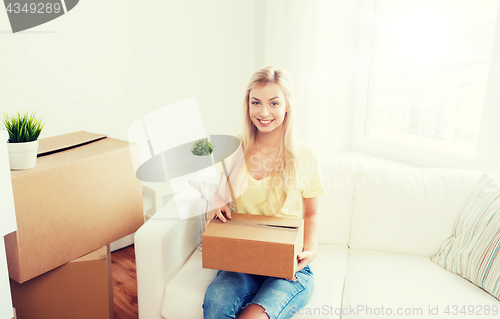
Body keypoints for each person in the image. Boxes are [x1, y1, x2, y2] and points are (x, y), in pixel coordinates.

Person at [203, 66, 325, 319]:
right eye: (256, 102)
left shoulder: (306, 156)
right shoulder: (234, 147)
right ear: (247, 105)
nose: (264, 112)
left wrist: (310, 251)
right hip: (241, 260)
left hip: (289, 266)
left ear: (287, 106)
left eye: (274, 103)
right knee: (216, 307)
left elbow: (312, 214)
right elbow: (210, 184)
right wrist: (215, 200)